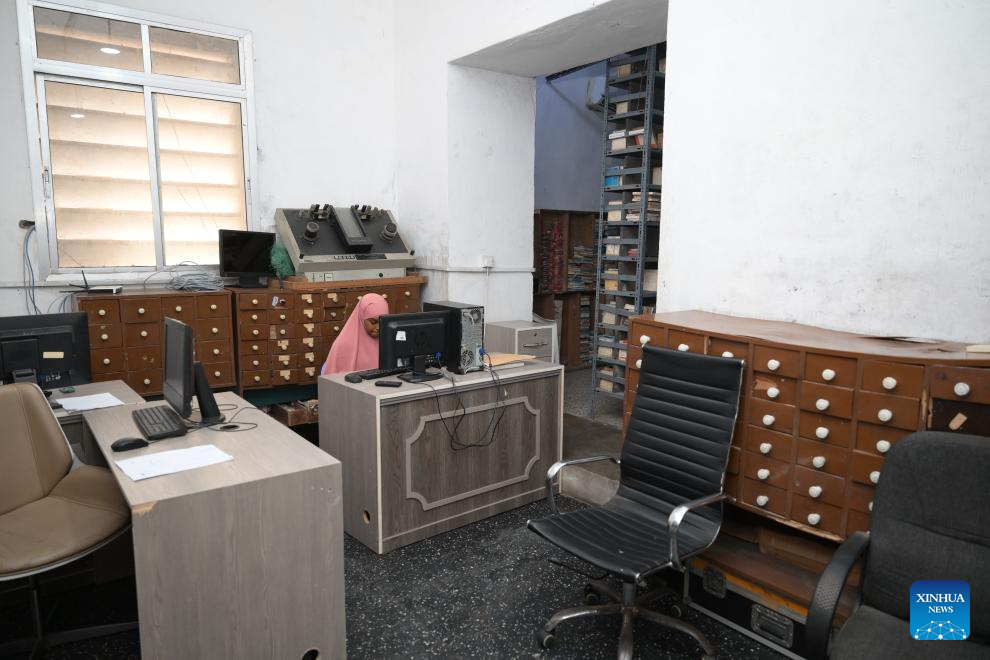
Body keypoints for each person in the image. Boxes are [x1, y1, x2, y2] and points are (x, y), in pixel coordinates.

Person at [321, 293, 389, 375]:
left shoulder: (388, 340)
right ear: (361, 317)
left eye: (383, 322)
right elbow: (331, 381)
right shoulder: (342, 345)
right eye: (373, 322)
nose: (378, 327)